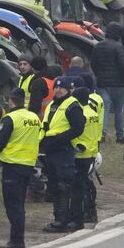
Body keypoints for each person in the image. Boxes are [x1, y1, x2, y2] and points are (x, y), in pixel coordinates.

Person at [0, 89, 42, 248]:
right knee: (20, 203)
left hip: (12, 165)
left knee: (13, 205)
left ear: (10, 101)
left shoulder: (10, 118)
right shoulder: (34, 118)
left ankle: (16, 239)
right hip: (28, 165)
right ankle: (17, 237)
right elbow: (39, 137)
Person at [39, 77, 86, 232]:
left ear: (69, 89)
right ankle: (58, 217)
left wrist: (60, 139)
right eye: (56, 87)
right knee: (54, 185)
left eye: (62, 88)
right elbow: (46, 124)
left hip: (63, 149)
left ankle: (62, 220)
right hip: (50, 148)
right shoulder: (52, 104)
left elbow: (78, 128)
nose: (58, 90)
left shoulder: (72, 105)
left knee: (63, 185)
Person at [70, 82, 105, 230]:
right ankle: (91, 211)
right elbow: (98, 134)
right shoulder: (93, 113)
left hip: (79, 153)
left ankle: (79, 216)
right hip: (91, 152)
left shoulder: (80, 114)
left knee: (77, 187)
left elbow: (75, 133)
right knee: (87, 183)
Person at [90, 22, 124, 144]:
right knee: (118, 109)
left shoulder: (98, 46)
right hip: (118, 83)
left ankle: (102, 134)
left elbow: (93, 63)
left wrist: (99, 75)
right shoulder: (118, 47)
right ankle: (120, 135)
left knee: (105, 109)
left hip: (102, 83)